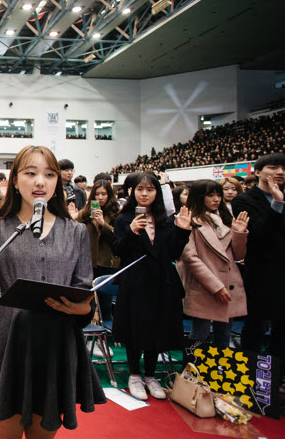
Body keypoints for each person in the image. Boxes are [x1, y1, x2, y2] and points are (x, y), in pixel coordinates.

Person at [0, 145, 104, 438]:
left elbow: (85, 292)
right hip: (10, 340)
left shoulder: (76, 231)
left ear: (57, 182)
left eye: (49, 174)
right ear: (15, 180)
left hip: (57, 341)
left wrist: (82, 309)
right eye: (30, 173)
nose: (40, 182)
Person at [111, 172, 192, 401]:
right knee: (135, 329)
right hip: (135, 282)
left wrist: (183, 232)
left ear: (157, 192)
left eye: (150, 189)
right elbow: (118, 249)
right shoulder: (124, 218)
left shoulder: (165, 220)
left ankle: (150, 375)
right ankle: (134, 375)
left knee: (157, 327)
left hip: (162, 282)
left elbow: (174, 253)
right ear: (132, 192)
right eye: (140, 189)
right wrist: (131, 231)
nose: (145, 194)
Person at [231, 153, 285, 392]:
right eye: (273, 167)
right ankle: (250, 379)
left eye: (283, 168)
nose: (280, 172)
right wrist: (277, 204)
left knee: (282, 329)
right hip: (262, 272)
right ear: (259, 171)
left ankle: (274, 380)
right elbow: (261, 235)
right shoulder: (245, 201)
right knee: (256, 325)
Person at [178, 180, 249, 349]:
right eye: (210, 195)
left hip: (229, 285)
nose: (216, 199)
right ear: (199, 197)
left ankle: (218, 373)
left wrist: (239, 233)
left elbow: (238, 255)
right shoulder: (190, 221)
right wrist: (216, 286)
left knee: (224, 335)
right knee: (199, 335)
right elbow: (191, 258)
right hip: (205, 287)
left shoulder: (224, 220)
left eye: (218, 195)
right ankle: (193, 374)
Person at [76, 180, 120, 321]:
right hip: (89, 261)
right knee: (88, 302)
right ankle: (91, 331)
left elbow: (118, 237)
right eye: (97, 194)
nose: (100, 198)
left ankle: (108, 335)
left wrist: (103, 224)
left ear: (109, 195)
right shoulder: (85, 212)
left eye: (104, 194)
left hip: (108, 262)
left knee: (105, 303)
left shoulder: (115, 213)